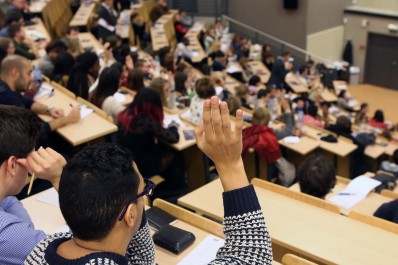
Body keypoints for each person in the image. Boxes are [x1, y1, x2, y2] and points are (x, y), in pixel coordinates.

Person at [26, 96, 273, 264]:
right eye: (145, 192)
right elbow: (251, 255)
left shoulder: (42, 250)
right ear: (130, 215)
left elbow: (142, 260)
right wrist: (230, 165)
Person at [0, 105, 67, 265]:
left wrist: (25, 229)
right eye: (32, 154)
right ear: (13, 165)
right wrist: (61, 178)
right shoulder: (7, 234)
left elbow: (8, 200)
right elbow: (69, 256)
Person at [117, 89, 186, 196]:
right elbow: (173, 138)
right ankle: (177, 188)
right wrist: (173, 127)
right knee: (176, 154)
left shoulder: (125, 114)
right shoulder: (146, 121)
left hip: (129, 161)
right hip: (144, 164)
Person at [0, 55, 80, 133]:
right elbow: (33, 132)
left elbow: (26, 101)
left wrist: (49, 110)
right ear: (15, 73)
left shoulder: (5, 88)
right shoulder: (8, 99)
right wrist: (68, 119)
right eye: (28, 73)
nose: (32, 78)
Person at [242, 107, 283, 180]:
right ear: (267, 120)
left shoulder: (245, 131)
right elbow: (275, 156)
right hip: (265, 173)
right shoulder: (268, 136)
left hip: (244, 170)